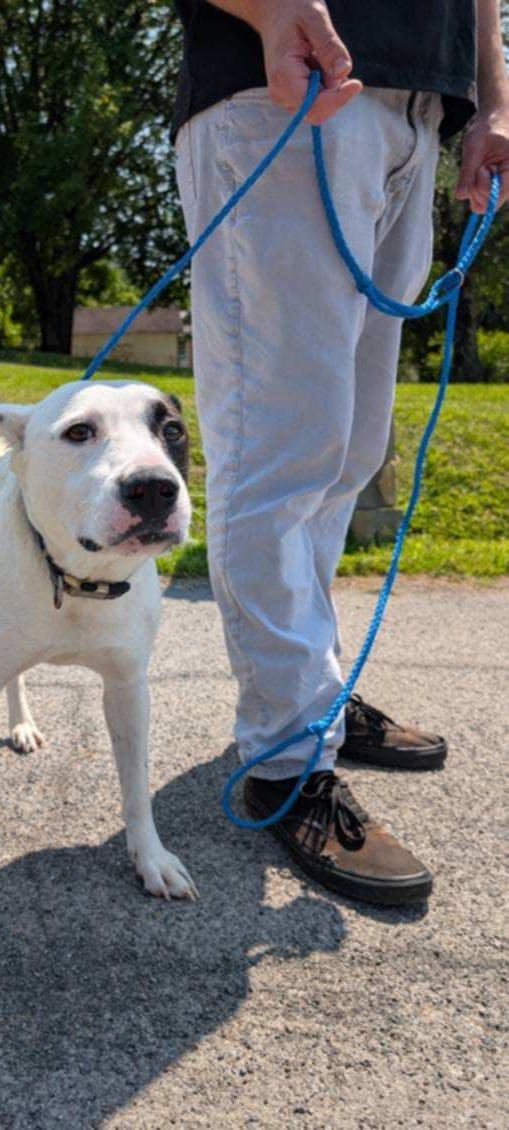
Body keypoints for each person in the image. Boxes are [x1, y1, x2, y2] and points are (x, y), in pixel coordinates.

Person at [172, 0, 509, 904]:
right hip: (284, 87)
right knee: (279, 453)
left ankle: (307, 693)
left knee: (346, 451)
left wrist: (490, 97)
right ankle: (286, 759)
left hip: (417, 109)